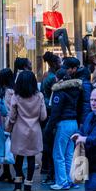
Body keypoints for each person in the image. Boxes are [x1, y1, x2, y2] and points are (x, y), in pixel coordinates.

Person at [7, 71, 47, 191]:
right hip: (34, 130)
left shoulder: (16, 96)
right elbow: (43, 116)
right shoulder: (39, 96)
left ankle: (18, 184)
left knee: (18, 157)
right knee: (31, 158)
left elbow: (12, 116)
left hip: (19, 130)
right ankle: (28, 185)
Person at [45, 69, 82, 190]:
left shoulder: (58, 91)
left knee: (58, 154)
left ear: (57, 78)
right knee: (69, 154)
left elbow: (55, 112)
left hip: (63, 124)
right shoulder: (76, 90)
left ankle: (62, 182)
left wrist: (49, 128)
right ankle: (71, 180)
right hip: (74, 123)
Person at [40, 52, 61, 182]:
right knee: (49, 139)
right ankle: (47, 167)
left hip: (46, 108)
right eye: (59, 62)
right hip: (49, 109)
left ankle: (45, 166)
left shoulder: (47, 75)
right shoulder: (52, 78)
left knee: (47, 139)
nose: (60, 64)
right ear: (53, 64)